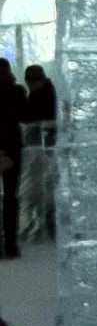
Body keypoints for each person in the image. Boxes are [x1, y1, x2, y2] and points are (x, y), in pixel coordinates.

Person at [19, 64, 57, 243]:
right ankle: (46, 224)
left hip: (43, 146)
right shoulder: (46, 92)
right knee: (44, 186)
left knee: (43, 186)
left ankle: (45, 224)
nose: (30, 87)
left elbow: (30, 116)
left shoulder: (43, 96)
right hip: (44, 145)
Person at [0, 58, 28, 259]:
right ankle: (11, 244)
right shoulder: (17, 91)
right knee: (11, 197)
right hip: (12, 147)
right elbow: (25, 116)